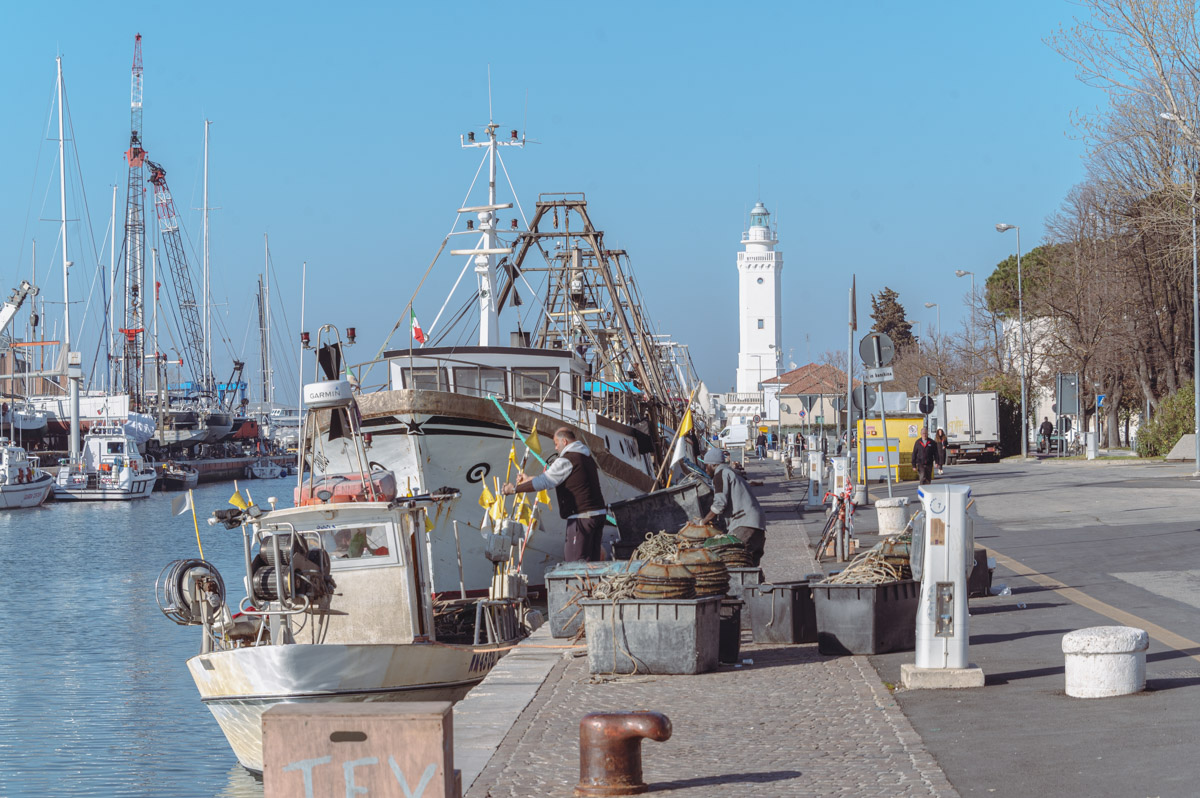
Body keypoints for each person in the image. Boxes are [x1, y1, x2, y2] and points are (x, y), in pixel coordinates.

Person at [502, 427, 607, 562]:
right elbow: (554, 478)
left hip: (581, 518)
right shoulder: (585, 456)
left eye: (556, 443)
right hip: (597, 515)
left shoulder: (567, 459)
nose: (556, 448)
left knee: (574, 564)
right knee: (592, 563)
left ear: (564, 441)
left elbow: (546, 482)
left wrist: (514, 489)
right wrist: (528, 479)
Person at [699, 447, 767, 566]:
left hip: (744, 523)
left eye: (706, 465)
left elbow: (719, 504)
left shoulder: (720, 475)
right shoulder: (733, 473)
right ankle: (758, 583)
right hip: (757, 523)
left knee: (735, 560)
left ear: (713, 464)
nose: (705, 469)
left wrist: (703, 522)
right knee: (750, 566)